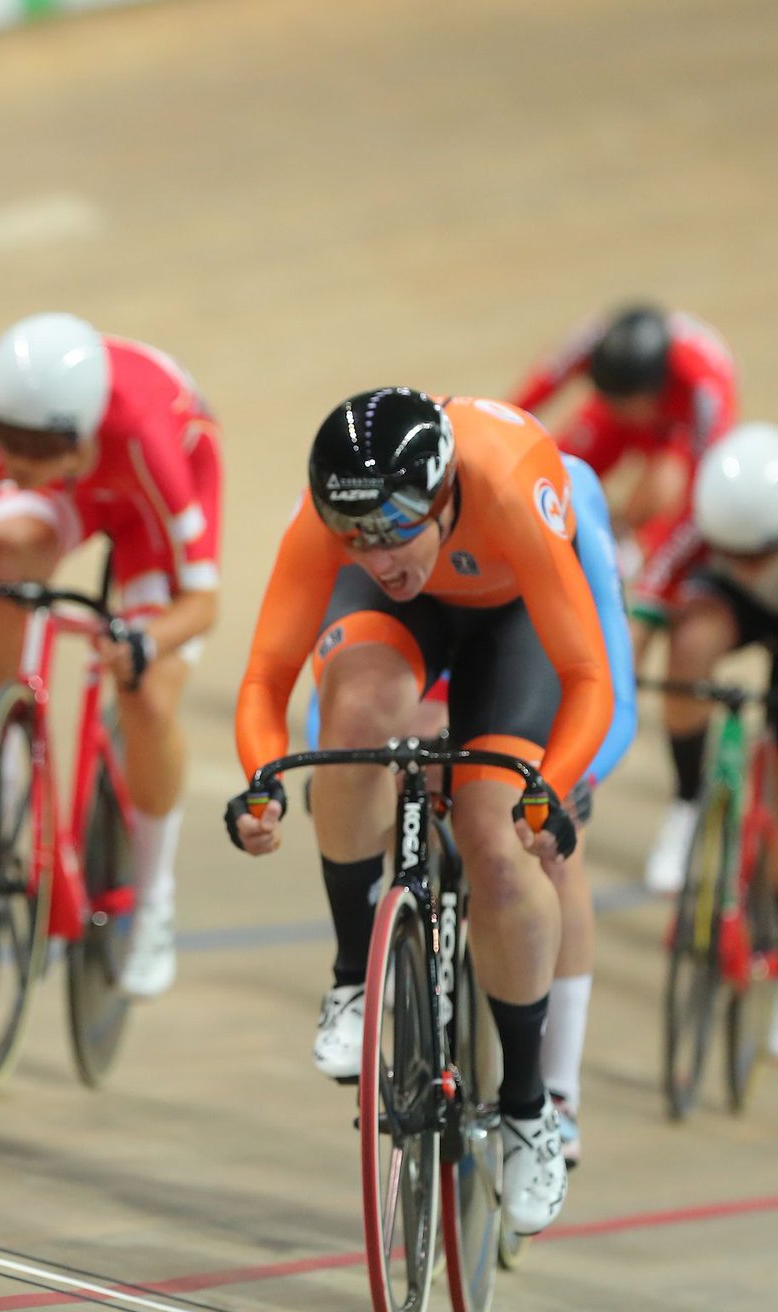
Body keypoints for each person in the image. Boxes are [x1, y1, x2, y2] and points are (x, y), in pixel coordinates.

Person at [228, 388, 614, 1236]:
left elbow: (590, 677)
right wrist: (262, 779)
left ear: (443, 497)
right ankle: (351, 981)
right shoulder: (340, 528)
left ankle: (526, 1108)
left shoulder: (511, 484)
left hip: (514, 619)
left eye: (397, 529)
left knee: (495, 836)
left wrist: (552, 784)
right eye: (355, 535)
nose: (377, 552)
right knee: (357, 719)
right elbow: (265, 677)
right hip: (408, 626)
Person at [297, 452, 637, 1166]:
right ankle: (402, 953)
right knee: (384, 774)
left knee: (538, 846)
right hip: (422, 646)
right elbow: (333, 696)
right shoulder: (382, 528)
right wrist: (334, 776)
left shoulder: (559, 502)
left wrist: (574, 777)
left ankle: (558, 1088)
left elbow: (609, 682)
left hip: (524, 642)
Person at [0, 314, 221, 1000]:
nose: (12, 462)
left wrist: (145, 642)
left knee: (149, 695)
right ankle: (6, 772)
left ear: (77, 435)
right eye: (7, 441)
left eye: (32, 450)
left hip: (151, 502)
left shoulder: (148, 443)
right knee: (5, 555)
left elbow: (202, 602)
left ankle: (155, 897)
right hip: (77, 492)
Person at [635, 426, 778, 1027]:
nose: (739, 565)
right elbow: (642, 618)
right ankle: (691, 798)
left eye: (751, 557)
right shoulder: (703, 528)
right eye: (729, 553)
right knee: (690, 644)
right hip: (735, 607)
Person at [508, 303, 736, 563]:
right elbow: (543, 384)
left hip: (675, 430)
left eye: (623, 405)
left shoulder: (705, 388)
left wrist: (653, 551)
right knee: (553, 473)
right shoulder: (593, 339)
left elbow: (701, 490)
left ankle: (626, 539)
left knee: (665, 488)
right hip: (623, 409)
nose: (618, 411)